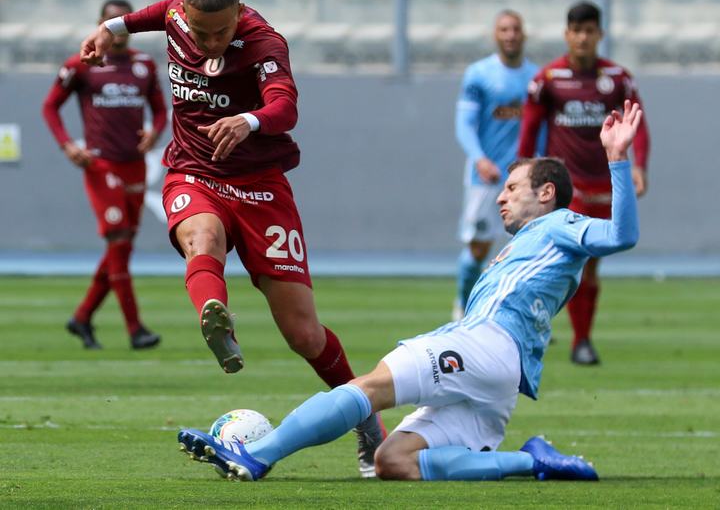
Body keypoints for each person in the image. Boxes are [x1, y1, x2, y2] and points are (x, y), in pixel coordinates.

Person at [176, 101, 642, 483]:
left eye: (513, 187)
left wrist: (618, 159)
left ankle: (257, 454)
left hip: (486, 346)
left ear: (546, 194)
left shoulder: (560, 224)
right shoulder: (533, 245)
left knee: (368, 387)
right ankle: (532, 460)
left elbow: (621, 235)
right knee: (395, 461)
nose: (501, 196)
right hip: (500, 376)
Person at [79, 0, 385, 477]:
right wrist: (111, 29)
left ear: (239, 13)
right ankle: (214, 313)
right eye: (201, 33)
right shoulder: (177, 14)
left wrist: (249, 120)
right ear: (186, 16)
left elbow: (285, 106)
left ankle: (367, 418)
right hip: (194, 172)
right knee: (203, 236)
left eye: (221, 32)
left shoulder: (264, 42)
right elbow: (149, 15)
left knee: (304, 335)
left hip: (262, 189)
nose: (210, 42)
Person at [518, 1, 650, 365]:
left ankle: (579, 338)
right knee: (571, 259)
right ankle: (572, 340)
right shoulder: (548, 79)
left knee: (589, 266)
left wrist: (639, 166)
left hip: (606, 185)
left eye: (589, 31)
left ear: (599, 34)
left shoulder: (618, 78)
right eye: (576, 31)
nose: (582, 38)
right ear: (566, 34)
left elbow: (638, 125)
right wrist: (523, 174)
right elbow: (529, 128)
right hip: (566, 187)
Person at [43, 0, 167, 350]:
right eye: (111, 20)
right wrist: (68, 146)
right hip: (100, 165)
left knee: (121, 247)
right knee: (119, 239)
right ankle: (135, 329)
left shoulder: (144, 65)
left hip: (135, 164)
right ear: (101, 23)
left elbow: (160, 111)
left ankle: (82, 318)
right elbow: (50, 106)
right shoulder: (82, 63)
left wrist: (154, 133)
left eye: (123, 21)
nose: (118, 29)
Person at [453, 10, 538, 321]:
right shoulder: (479, 74)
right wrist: (479, 158)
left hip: (526, 180)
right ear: (495, 35)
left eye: (515, 29)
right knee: (478, 249)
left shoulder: (537, 78)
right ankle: (465, 312)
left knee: (529, 252)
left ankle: (523, 318)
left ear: (524, 34)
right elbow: (464, 124)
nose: (510, 35)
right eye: (504, 29)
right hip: (486, 178)